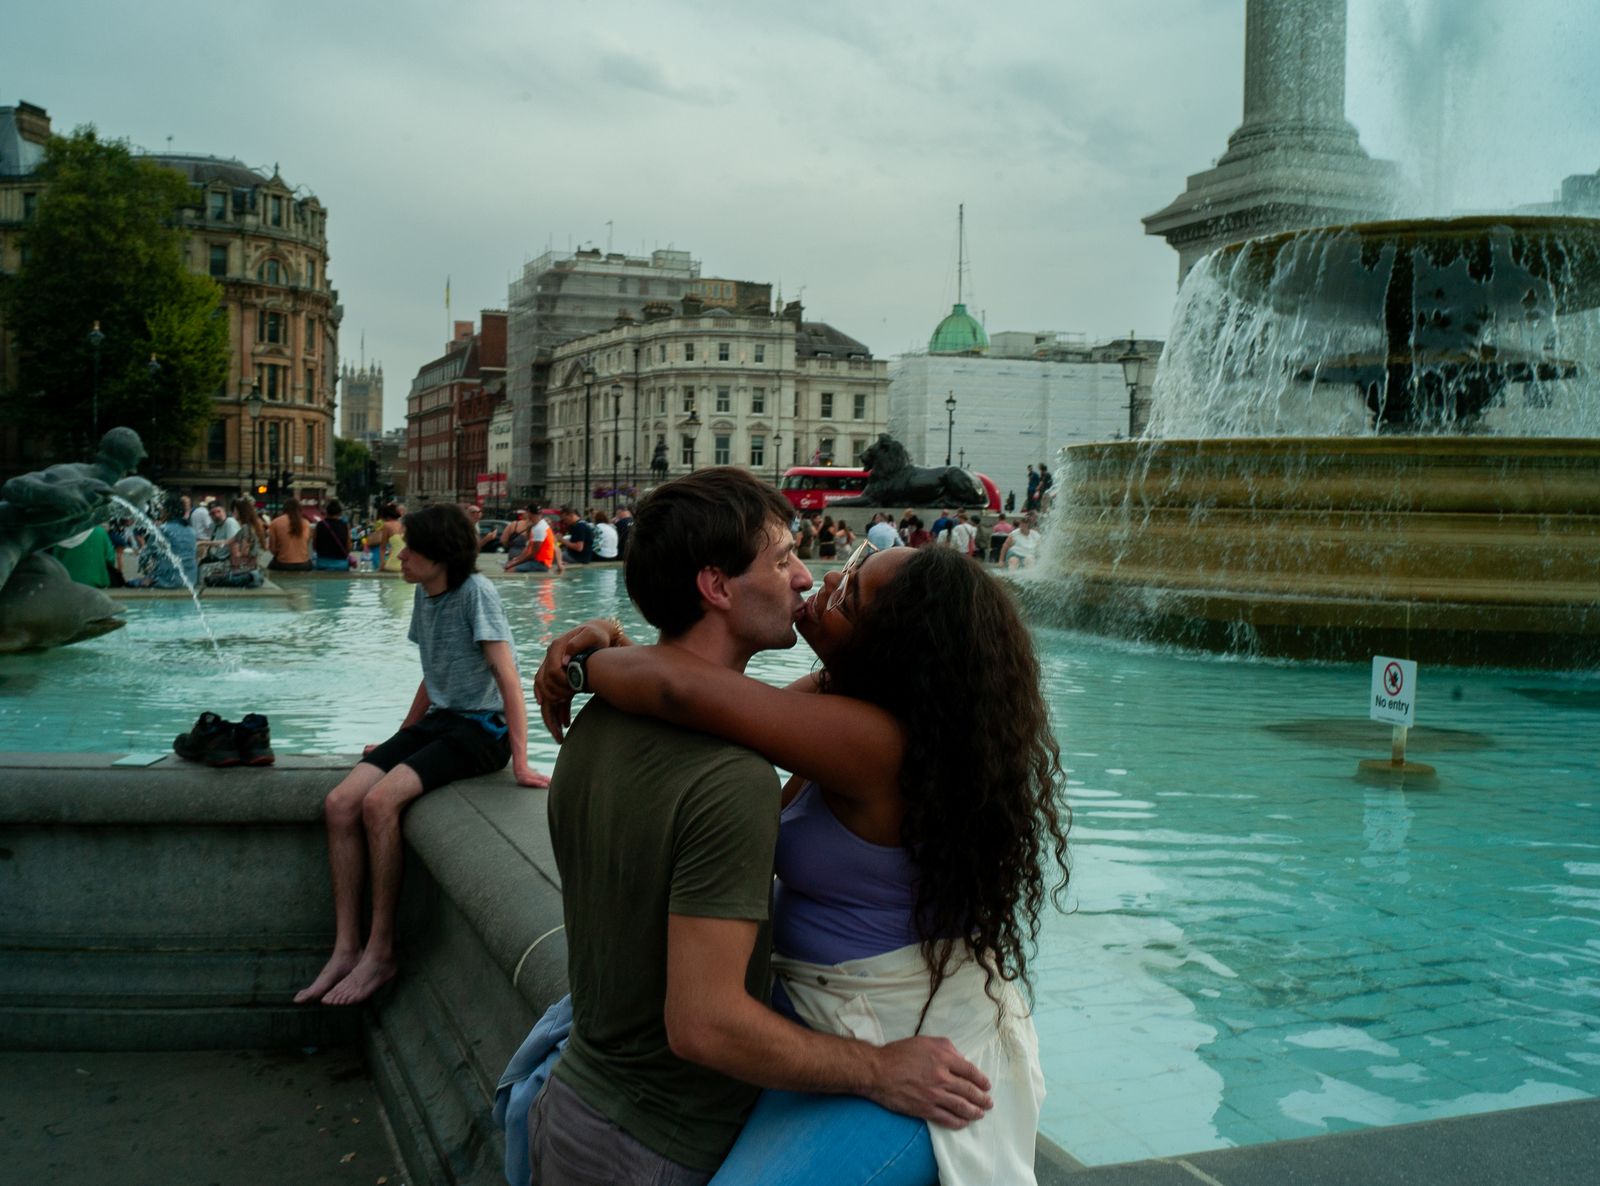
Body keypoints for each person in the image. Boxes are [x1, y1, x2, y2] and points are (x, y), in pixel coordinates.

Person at [535, 535, 1069, 1185]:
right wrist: (610, 632)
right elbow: (710, 706)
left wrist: (585, 666)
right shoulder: (855, 703)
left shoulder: (875, 743)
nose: (819, 585)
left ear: (892, 642)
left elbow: (680, 692)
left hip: (900, 1036)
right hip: (823, 1010)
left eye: (849, 591)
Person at [294, 504, 548, 1008]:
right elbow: (432, 674)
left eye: (412, 549)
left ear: (442, 556)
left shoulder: (477, 593)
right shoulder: (424, 595)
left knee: (378, 803)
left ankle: (380, 951)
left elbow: (509, 680)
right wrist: (401, 737)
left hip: (481, 729)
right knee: (341, 802)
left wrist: (519, 759)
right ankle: (346, 948)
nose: (401, 555)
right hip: (440, 723)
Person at [50, 524, 117, 589]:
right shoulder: (100, 532)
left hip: (66, 583)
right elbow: (110, 558)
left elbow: (54, 561)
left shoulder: (61, 533)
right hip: (94, 583)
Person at [268, 497, 314, 572]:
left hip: (283, 564)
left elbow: (272, 549)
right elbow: (306, 544)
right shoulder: (306, 523)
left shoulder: (275, 522)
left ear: (284, 509)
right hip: (304, 564)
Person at [313, 500, 353, 570]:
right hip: (341, 565)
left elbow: (314, 546)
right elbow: (349, 548)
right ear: (340, 513)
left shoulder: (320, 525)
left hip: (322, 563)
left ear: (327, 512)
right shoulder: (345, 526)